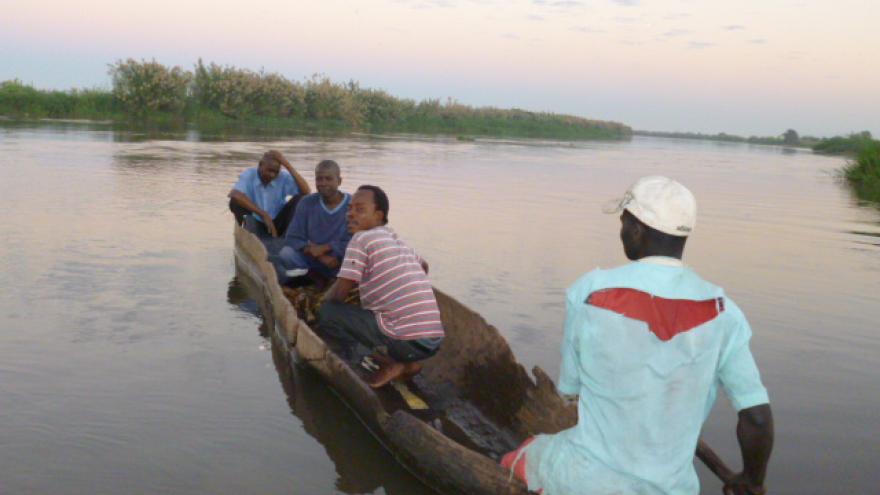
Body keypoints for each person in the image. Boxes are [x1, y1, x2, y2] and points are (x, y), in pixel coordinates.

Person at [501, 176, 774, 495]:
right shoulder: (724, 312)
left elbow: (571, 390)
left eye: (623, 223)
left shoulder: (589, 290)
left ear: (636, 229)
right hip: (672, 488)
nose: (621, 232)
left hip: (585, 481)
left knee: (512, 459)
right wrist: (752, 480)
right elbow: (756, 418)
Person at [318, 185, 444, 388]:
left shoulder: (360, 239)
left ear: (378, 215)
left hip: (406, 342)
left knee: (328, 313)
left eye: (360, 209)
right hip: (432, 342)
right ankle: (407, 364)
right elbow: (424, 266)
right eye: (349, 209)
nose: (350, 214)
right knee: (372, 314)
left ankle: (387, 363)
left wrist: (322, 304)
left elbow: (339, 295)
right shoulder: (394, 239)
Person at [275, 160, 352, 283]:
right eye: (319, 179)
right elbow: (292, 238)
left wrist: (327, 247)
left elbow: (355, 241)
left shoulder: (352, 205)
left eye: (328, 179)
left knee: (356, 259)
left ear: (339, 181)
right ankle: (315, 276)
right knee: (286, 254)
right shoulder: (306, 202)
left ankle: (326, 278)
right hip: (313, 258)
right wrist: (320, 256)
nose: (323, 183)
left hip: (339, 261)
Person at [228, 150, 310, 238]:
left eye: (276, 172)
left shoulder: (283, 177)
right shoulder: (249, 174)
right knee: (234, 202)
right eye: (269, 170)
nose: (272, 175)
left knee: (301, 199)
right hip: (255, 219)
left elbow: (306, 191)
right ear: (260, 165)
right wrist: (263, 215)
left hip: (278, 221)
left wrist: (287, 165)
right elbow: (234, 194)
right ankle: (245, 232)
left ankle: (286, 237)